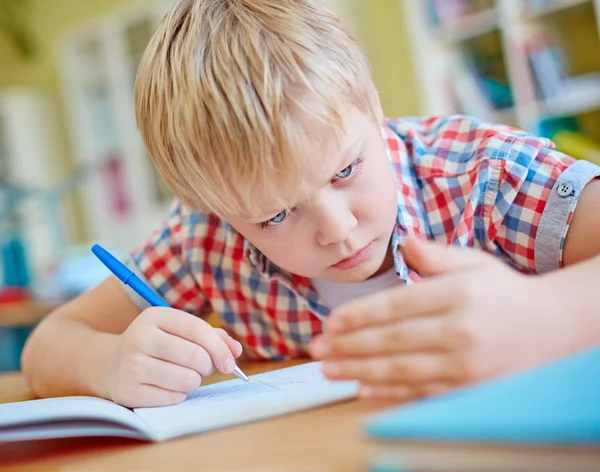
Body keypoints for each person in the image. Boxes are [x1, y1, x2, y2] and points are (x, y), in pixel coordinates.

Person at [22, 0, 600, 408]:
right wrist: (109, 364)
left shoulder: (484, 176)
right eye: (274, 216)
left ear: (372, 105)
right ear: (209, 206)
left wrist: (550, 315)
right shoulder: (203, 242)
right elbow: (50, 344)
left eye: (346, 170)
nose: (338, 229)